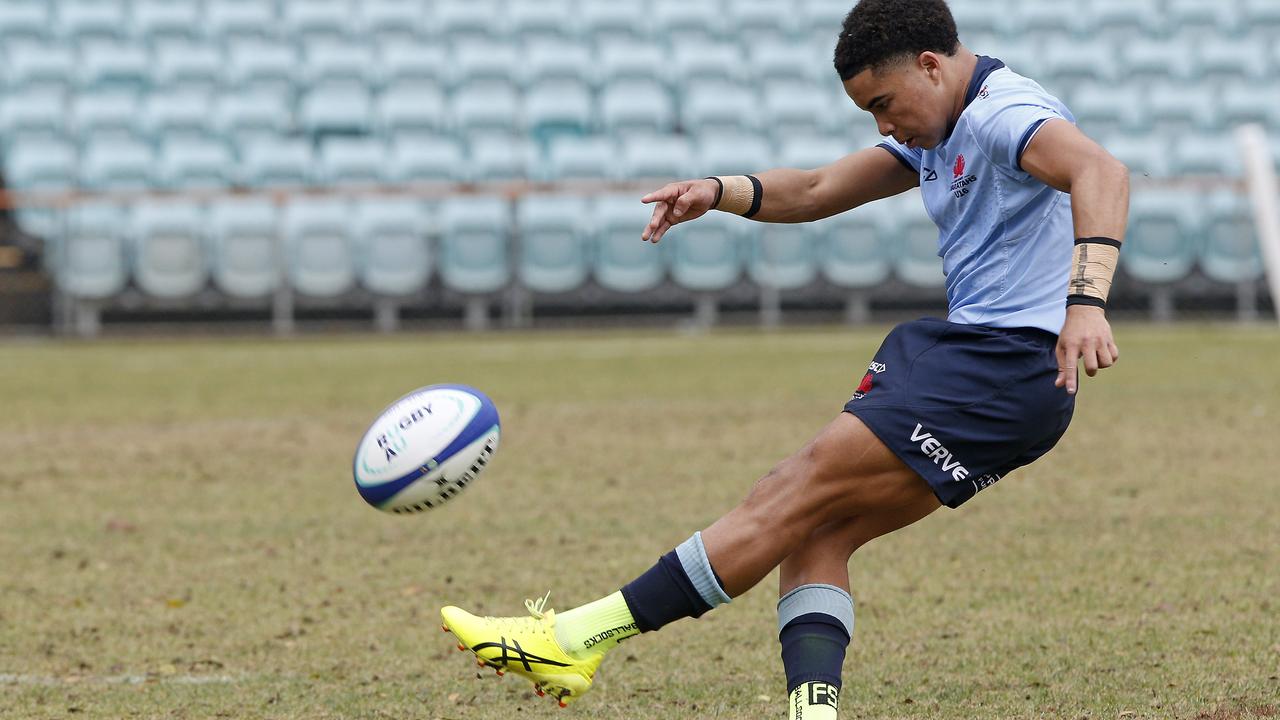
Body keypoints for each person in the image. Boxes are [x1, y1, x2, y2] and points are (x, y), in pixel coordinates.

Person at [440, 0, 1128, 716]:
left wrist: (1085, 304)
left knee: (787, 491)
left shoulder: (1001, 112)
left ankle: (578, 636)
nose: (884, 126)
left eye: (884, 104)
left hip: (999, 361)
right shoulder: (942, 126)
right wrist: (718, 190)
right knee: (818, 528)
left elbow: (1102, 173)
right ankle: (812, 711)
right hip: (1003, 374)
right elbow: (818, 189)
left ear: (930, 65)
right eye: (870, 113)